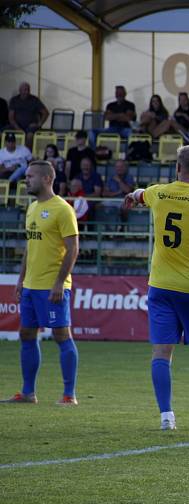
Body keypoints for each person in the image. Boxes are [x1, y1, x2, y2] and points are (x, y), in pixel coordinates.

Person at [124, 145, 189, 431]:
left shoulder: (159, 192)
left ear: (177, 167)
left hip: (161, 286)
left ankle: (166, 417)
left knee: (161, 353)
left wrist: (131, 197)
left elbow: (139, 194)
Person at [1, 161, 80, 405]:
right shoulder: (32, 208)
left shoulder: (62, 209)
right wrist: (21, 279)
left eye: (30, 176)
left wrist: (59, 283)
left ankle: (69, 395)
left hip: (52, 287)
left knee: (61, 335)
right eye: (26, 176)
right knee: (26, 334)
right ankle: (28, 393)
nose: (26, 180)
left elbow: (73, 249)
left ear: (47, 179)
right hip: (31, 286)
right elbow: (30, 246)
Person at [8, 82, 49, 147]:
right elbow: (11, 118)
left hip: (31, 126)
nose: (26, 92)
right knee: (2, 132)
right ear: (20, 90)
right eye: (24, 90)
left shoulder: (35, 100)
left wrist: (39, 124)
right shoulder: (14, 100)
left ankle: (27, 154)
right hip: (16, 125)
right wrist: (17, 128)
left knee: (30, 136)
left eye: (28, 90)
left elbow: (46, 113)